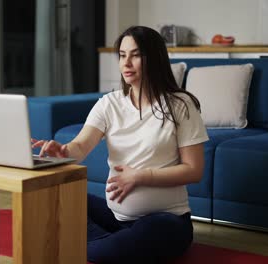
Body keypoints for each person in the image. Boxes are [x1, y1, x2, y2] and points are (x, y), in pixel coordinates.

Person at [32, 26, 209, 264]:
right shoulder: (109, 104)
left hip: (166, 219)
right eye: (123, 55)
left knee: (99, 248)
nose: (126, 63)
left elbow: (193, 170)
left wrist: (140, 177)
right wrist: (63, 152)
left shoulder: (180, 105)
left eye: (135, 55)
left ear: (154, 59)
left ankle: (99, 244)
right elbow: (80, 147)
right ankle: (118, 244)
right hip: (115, 217)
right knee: (61, 198)